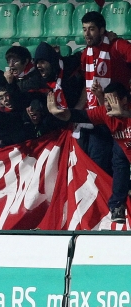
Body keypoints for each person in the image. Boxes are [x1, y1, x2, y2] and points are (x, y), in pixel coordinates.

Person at [50, 84, 131, 222]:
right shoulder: (104, 112)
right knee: (118, 157)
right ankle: (117, 205)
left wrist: (125, 114)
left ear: (124, 100)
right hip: (125, 152)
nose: (108, 105)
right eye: (105, 100)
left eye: (112, 100)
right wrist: (58, 112)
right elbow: (78, 115)